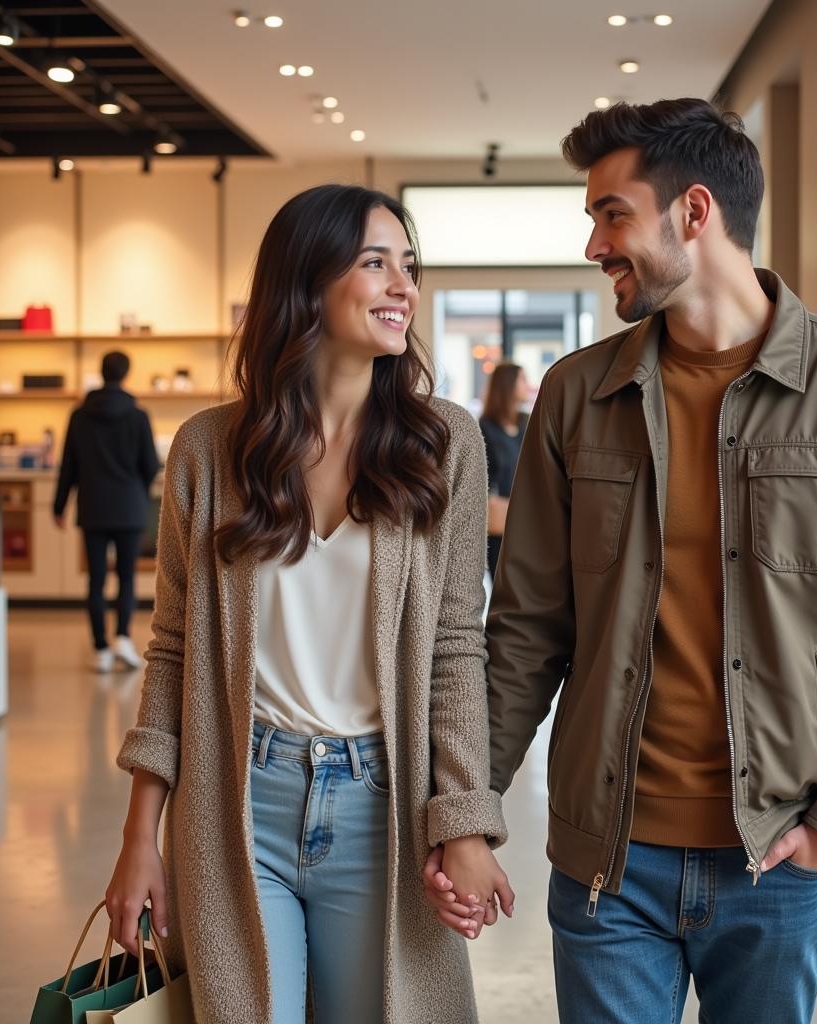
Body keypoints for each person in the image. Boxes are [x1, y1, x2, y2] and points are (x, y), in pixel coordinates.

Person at [424, 98, 817, 1023]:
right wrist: (466, 811)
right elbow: (524, 633)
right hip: (608, 863)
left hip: (776, 854)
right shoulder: (576, 395)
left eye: (611, 213)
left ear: (694, 211)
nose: (595, 244)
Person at [104, 185, 513, 1024]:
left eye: (410, 266)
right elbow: (173, 649)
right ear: (305, 282)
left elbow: (453, 648)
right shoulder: (211, 452)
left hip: (381, 808)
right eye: (375, 264)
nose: (403, 286)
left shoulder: (445, 445)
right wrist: (137, 838)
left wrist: (464, 818)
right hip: (235, 800)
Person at [53, 350, 159, 673]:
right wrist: (135, 488)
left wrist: (59, 507)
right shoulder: (138, 415)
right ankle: (123, 638)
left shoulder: (79, 415)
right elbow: (151, 466)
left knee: (96, 579)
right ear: (125, 373)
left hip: (93, 508)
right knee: (127, 576)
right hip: (129, 508)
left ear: (101, 373)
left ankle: (100, 648)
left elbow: (68, 466)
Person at [478, 362, 529, 579]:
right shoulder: (485, 426)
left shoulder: (527, 421)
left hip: (528, 515)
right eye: (523, 379)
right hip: (500, 520)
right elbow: (482, 475)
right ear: (509, 384)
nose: (527, 385)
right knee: (503, 583)